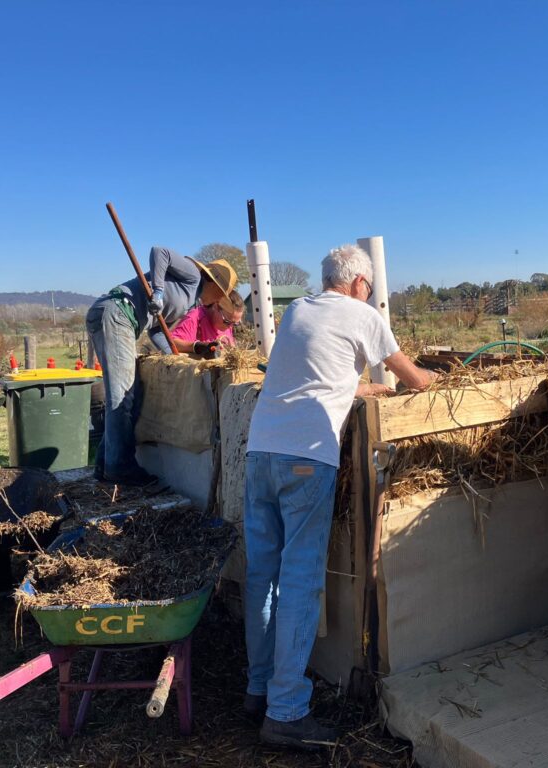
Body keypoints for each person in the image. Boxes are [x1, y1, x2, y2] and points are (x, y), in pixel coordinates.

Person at [242, 244, 436, 749]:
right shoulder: (363, 315)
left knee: (263, 577)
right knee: (300, 581)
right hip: (306, 457)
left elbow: (315, 374)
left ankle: (259, 689)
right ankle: (286, 712)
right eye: (368, 288)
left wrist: (359, 389)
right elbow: (410, 377)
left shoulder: (297, 311)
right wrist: (433, 379)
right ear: (359, 285)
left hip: (260, 451)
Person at [86, 249, 237, 484]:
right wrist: (157, 291)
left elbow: (158, 331)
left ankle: (105, 463)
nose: (217, 302)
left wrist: (180, 356)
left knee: (130, 395)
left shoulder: (188, 304)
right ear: (214, 285)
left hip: (121, 320)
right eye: (220, 296)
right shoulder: (193, 276)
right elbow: (160, 252)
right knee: (122, 396)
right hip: (117, 312)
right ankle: (119, 467)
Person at [171, 289, 245, 353]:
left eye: (235, 324)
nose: (230, 326)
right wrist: (198, 346)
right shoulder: (195, 318)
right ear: (216, 307)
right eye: (227, 322)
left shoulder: (228, 323)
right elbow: (173, 343)